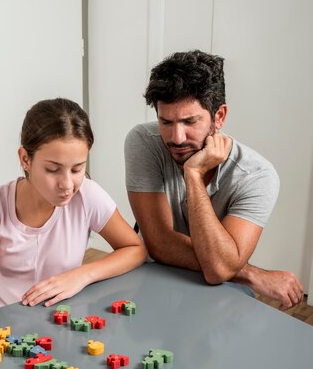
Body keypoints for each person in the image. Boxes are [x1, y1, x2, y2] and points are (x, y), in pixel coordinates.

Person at [0, 98, 147, 369]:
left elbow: (135, 248)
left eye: (77, 169)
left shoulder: (88, 195)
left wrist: (82, 274)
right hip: (1, 330)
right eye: (53, 169)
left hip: (62, 329)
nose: (67, 184)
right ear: (25, 159)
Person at [125, 49, 303, 310]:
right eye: (166, 122)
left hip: (221, 286)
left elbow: (219, 271)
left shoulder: (257, 175)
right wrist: (252, 274)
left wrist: (193, 176)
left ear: (219, 116)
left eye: (189, 121)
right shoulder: (143, 141)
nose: (176, 137)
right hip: (154, 273)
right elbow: (160, 244)